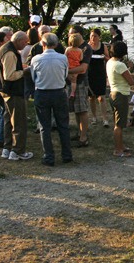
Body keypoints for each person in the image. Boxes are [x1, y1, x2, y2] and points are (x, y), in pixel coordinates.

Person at [30, 33, 73, 166]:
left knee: (44, 126)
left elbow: (33, 77)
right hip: (59, 92)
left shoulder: (36, 59)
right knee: (63, 125)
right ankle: (67, 154)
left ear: (43, 44)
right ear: (56, 44)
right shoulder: (63, 58)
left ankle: (49, 156)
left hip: (42, 92)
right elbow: (65, 74)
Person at [0, 31, 34, 161]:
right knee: (19, 122)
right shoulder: (10, 52)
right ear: (19, 40)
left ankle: (7, 148)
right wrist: (24, 71)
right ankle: (18, 151)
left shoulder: (6, 48)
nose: (26, 44)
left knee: (8, 121)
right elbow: (9, 75)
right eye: (25, 42)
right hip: (13, 91)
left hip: (6, 91)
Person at [106, 41, 134, 157]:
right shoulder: (120, 65)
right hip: (121, 95)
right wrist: (130, 69)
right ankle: (118, 150)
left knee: (118, 123)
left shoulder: (109, 62)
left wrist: (128, 69)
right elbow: (131, 81)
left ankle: (121, 145)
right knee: (119, 125)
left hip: (113, 93)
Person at [67, 25, 93, 147]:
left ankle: (84, 137)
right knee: (76, 110)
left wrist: (67, 72)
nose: (69, 36)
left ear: (78, 34)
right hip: (71, 82)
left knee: (82, 109)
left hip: (81, 82)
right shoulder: (71, 47)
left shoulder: (86, 48)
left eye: (71, 33)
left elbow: (83, 68)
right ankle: (79, 131)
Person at [88, 28, 110, 127]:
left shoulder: (103, 46)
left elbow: (108, 59)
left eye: (95, 36)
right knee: (91, 97)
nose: (93, 38)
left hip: (100, 73)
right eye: (92, 36)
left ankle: (105, 118)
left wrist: (103, 57)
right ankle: (94, 117)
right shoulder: (87, 47)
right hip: (90, 73)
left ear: (99, 37)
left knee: (102, 97)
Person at [65, 33, 83, 101]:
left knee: (68, 79)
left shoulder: (68, 49)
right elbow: (81, 59)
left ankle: (68, 92)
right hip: (76, 67)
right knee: (74, 81)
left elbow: (65, 56)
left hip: (69, 66)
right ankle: (73, 93)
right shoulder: (80, 50)